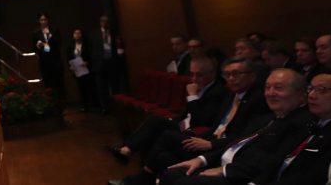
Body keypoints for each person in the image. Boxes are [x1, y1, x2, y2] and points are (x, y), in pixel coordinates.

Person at [108, 57, 271, 185]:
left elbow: (247, 136)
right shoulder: (232, 96)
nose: (230, 78)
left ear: (252, 75)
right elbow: (216, 127)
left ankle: (138, 177)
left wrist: (210, 144)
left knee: (165, 135)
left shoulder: (257, 99)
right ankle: (141, 179)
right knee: (163, 156)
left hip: (224, 149)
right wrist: (204, 139)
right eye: (227, 75)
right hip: (208, 140)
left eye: (235, 74)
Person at [157, 69, 313, 185]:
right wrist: (201, 160)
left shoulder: (301, 122)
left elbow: (274, 161)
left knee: (183, 182)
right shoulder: (266, 118)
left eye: (278, 88)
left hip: (242, 176)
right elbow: (237, 143)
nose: (270, 93)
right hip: (225, 163)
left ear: (301, 94)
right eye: (267, 88)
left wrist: (225, 171)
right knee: (170, 169)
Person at [109, 56, 224, 166]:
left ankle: (127, 152)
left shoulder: (217, 92)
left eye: (199, 75)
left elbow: (201, 120)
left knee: (156, 122)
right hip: (183, 125)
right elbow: (186, 114)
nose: (194, 78)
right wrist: (172, 120)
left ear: (212, 74)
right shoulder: (199, 87)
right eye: (191, 74)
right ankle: (131, 159)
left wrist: (193, 96)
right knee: (151, 135)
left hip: (194, 133)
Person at [265, 71, 331, 185]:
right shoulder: (303, 121)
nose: (311, 95)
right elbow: (275, 160)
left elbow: (314, 177)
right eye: (311, 89)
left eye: (321, 90)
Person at [32, 13, 66, 101]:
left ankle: (62, 103)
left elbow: (58, 43)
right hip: (45, 61)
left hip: (55, 60)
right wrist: (38, 45)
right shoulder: (36, 33)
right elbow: (34, 47)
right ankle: (51, 102)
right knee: (48, 84)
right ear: (39, 21)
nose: (43, 22)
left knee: (59, 83)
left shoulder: (54, 30)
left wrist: (50, 34)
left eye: (45, 20)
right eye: (41, 20)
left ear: (48, 20)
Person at [94, 15, 122, 114]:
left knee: (115, 86)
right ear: (100, 22)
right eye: (103, 21)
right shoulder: (95, 34)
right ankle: (105, 108)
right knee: (102, 88)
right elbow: (92, 50)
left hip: (112, 63)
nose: (105, 23)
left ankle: (117, 107)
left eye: (107, 21)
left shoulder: (115, 33)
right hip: (100, 64)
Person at [71, 29, 99, 113]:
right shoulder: (71, 46)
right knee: (81, 88)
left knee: (91, 87)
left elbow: (91, 55)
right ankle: (85, 105)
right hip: (78, 69)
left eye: (79, 33)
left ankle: (95, 105)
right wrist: (71, 66)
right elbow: (70, 57)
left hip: (87, 68)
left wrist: (87, 62)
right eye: (75, 33)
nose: (77, 34)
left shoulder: (87, 45)